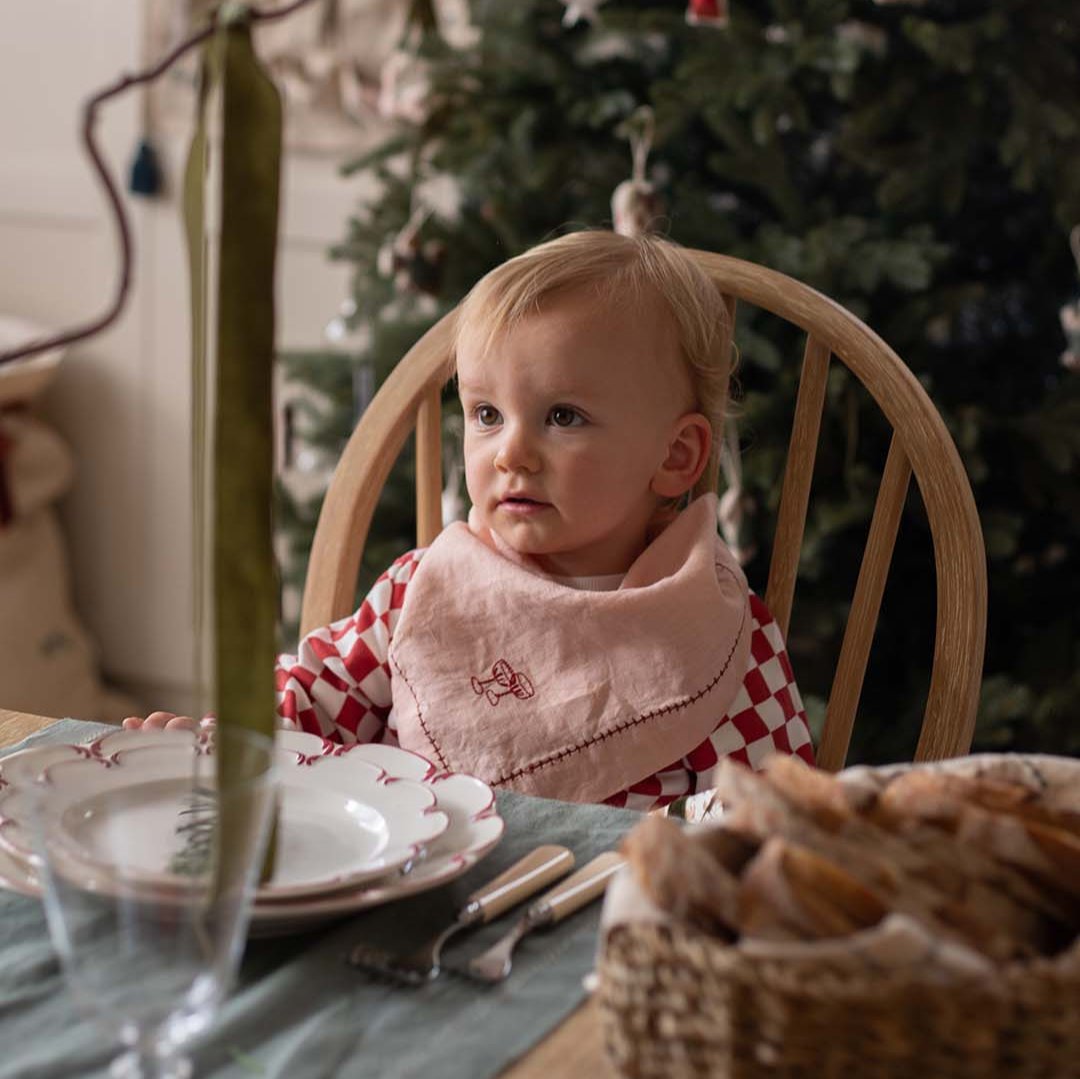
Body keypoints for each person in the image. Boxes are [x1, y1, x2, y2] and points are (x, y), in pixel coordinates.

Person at [127, 230, 814, 810]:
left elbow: (770, 817)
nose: (510, 451)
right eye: (486, 414)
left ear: (675, 455)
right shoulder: (428, 587)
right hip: (409, 900)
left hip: (598, 930)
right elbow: (313, 700)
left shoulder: (715, 633)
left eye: (563, 416)